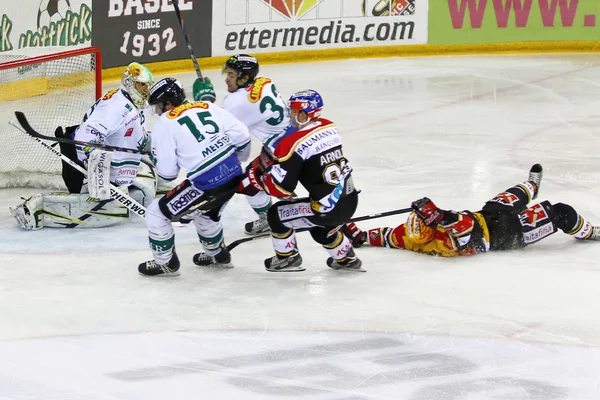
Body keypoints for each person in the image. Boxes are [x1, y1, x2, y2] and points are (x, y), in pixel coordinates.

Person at [11, 62, 157, 230]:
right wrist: (94, 169)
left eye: (147, 86)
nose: (146, 91)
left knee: (148, 179)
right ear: (129, 83)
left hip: (119, 169)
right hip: (88, 167)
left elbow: (133, 131)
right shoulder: (116, 107)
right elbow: (85, 137)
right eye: (142, 85)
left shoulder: (135, 103)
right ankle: (39, 208)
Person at [342, 164, 600, 256]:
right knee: (561, 213)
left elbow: (386, 235)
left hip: (487, 215)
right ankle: (591, 233)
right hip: (508, 234)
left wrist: (358, 233)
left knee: (513, 195)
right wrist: (438, 215)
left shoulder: (408, 236)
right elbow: (462, 225)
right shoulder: (443, 244)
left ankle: (531, 186)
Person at [237, 89, 363, 272]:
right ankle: (346, 258)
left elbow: (282, 189)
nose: (290, 116)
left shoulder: (291, 144)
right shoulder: (330, 127)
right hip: (349, 200)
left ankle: (287, 258)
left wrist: (260, 178)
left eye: (293, 112)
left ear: (304, 115)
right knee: (320, 229)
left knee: (275, 214)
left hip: (326, 209)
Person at [138, 78, 251, 277]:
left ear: (168, 103)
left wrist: (156, 156)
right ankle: (217, 255)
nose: (156, 111)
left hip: (207, 184)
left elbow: (167, 174)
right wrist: (235, 161)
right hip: (234, 174)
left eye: (157, 106)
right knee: (206, 213)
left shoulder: (164, 123)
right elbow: (242, 135)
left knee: (157, 212)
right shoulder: (208, 106)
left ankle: (165, 263)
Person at [193, 54, 293, 236]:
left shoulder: (238, 101)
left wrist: (205, 102)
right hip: (290, 140)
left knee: (248, 182)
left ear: (244, 78)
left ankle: (276, 214)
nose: (226, 79)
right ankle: (273, 211)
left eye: (231, 75)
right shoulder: (265, 82)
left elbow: (213, 130)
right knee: (250, 180)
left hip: (283, 151)